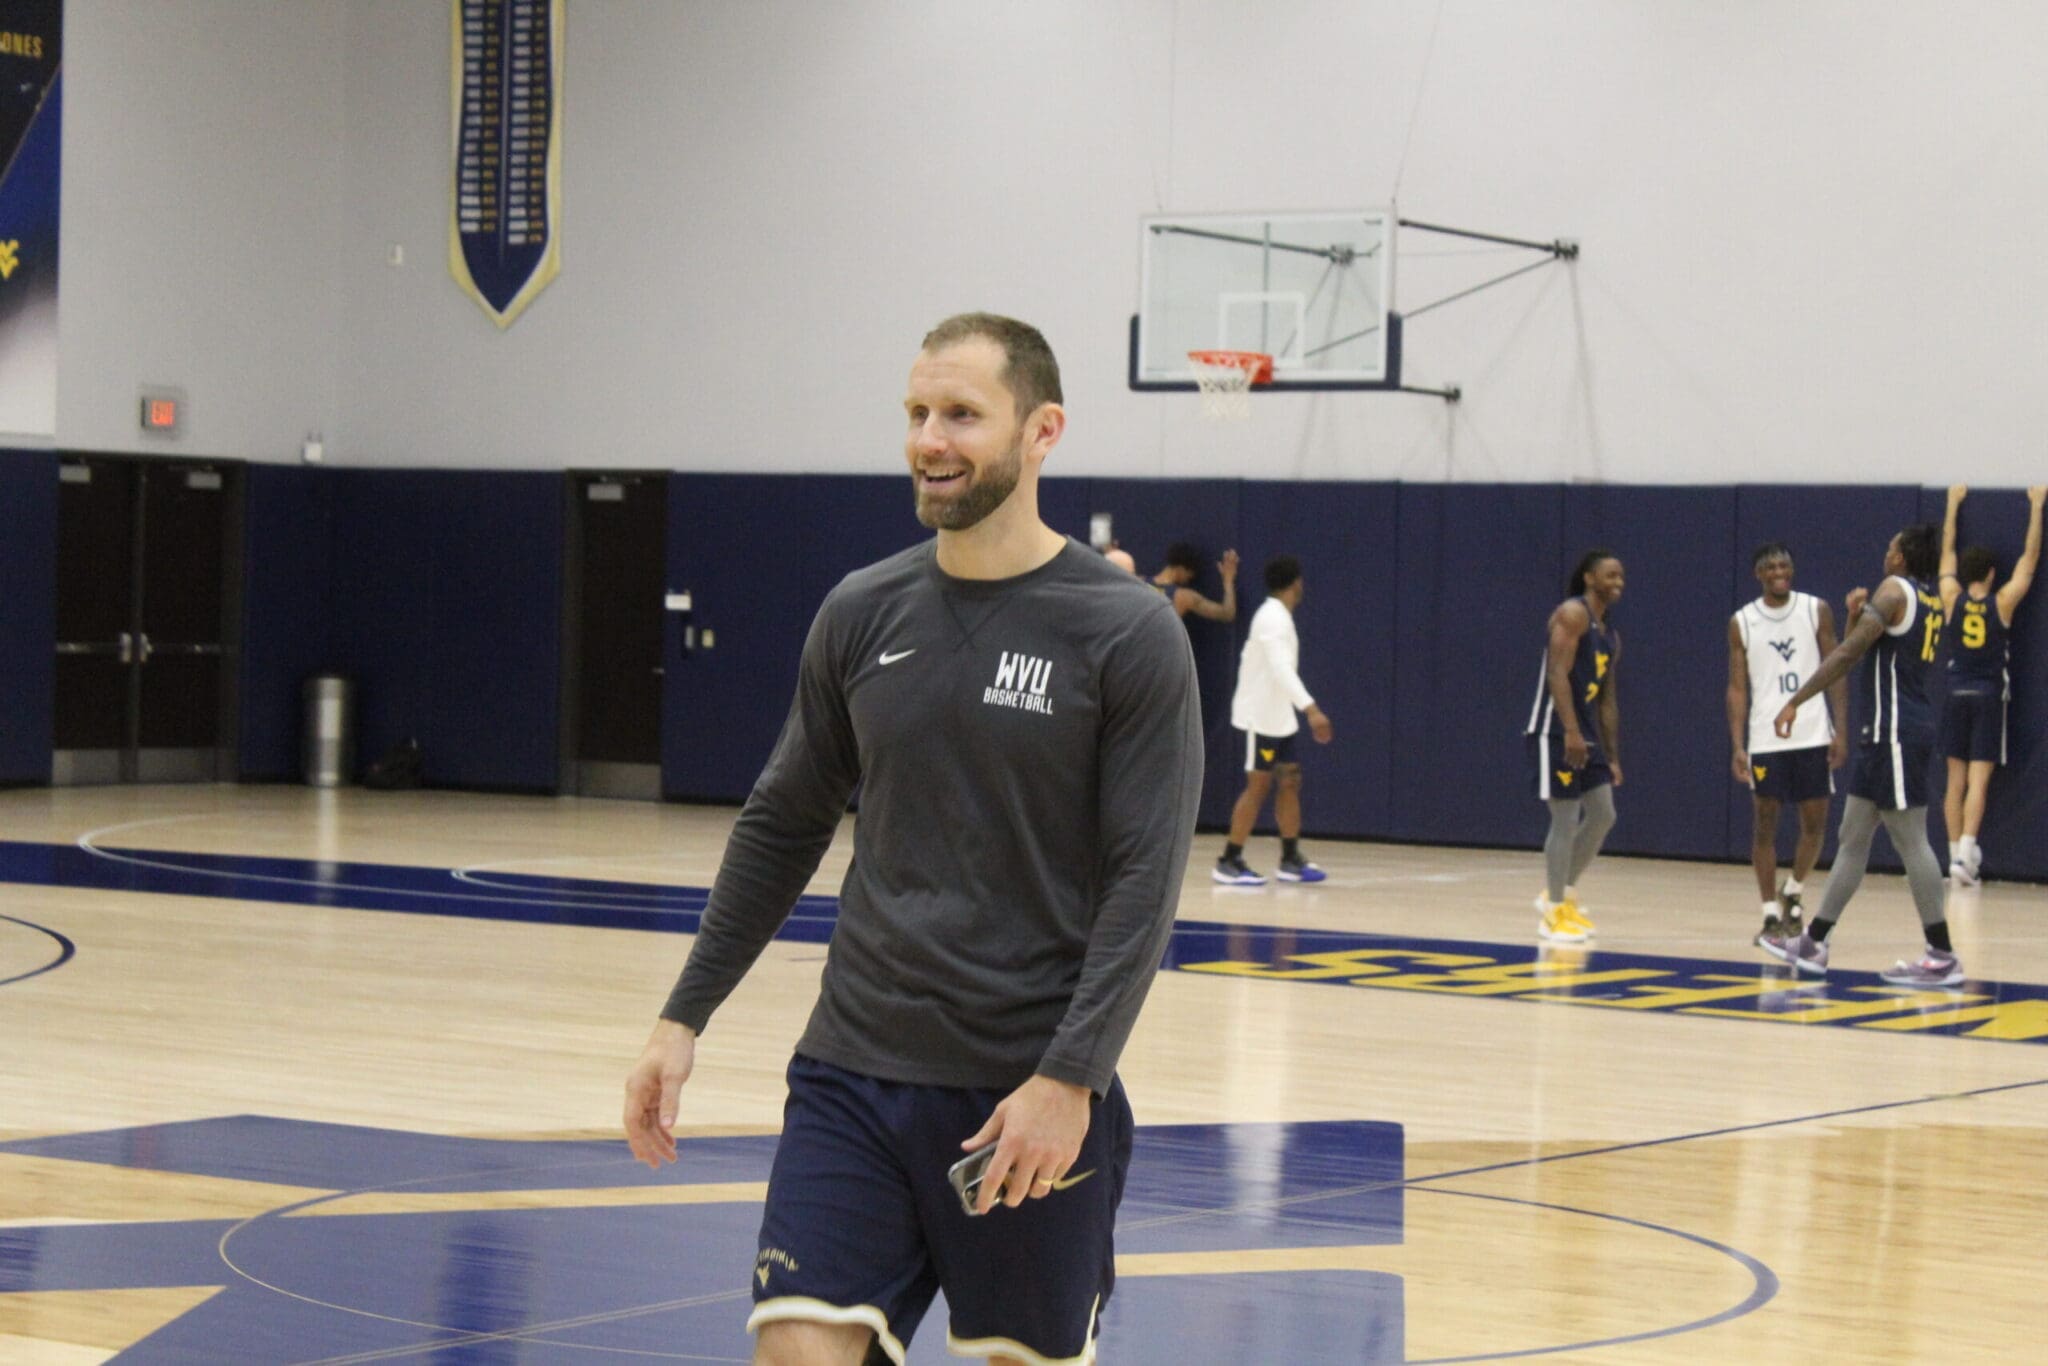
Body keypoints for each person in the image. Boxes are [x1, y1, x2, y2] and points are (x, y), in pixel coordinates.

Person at [622, 313, 1203, 1366]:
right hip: (854, 1066)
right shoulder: (861, 610)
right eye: (918, 414)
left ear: (1041, 432)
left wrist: (1069, 1076)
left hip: (1021, 1078)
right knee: (796, 1347)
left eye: (962, 415)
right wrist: (681, 1015)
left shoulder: (1122, 630)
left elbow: (1144, 876)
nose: (930, 440)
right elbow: (782, 821)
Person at [1760, 523, 1958, 986]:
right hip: (1886, 733)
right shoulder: (1927, 601)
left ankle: (1943, 953)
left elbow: (1849, 653)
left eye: (1891, 546)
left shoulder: (1895, 591)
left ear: (1903, 556)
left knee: (1911, 839)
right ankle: (1815, 941)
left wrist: (1796, 700)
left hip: (1897, 732)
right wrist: (1855, 615)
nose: (1885, 551)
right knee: (1852, 837)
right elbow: (1866, 646)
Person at [1726, 543, 1847, 945]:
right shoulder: (1743, 621)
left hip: (1812, 733)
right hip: (1766, 738)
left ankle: (1793, 890)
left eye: (1785, 565)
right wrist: (1738, 743)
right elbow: (1737, 687)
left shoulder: (1816, 609)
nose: (1779, 571)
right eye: (1771, 567)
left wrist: (1840, 729)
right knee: (1765, 827)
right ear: (1759, 574)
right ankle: (1769, 916)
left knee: (1815, 825)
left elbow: (1837, 669)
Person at [1936, 484, 2045, 885]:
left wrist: (1951, 505)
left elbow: (1946, 554)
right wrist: (2036, 508)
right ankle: (1966, 853)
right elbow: (2030, 560)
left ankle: (1952, 858)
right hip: (1987, 696)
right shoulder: (2003, 602)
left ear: (1963, 575)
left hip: (1953, 693)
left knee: (1954, 780)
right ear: (1993, 573)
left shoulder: (1950, 596)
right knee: (1978, 780)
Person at [1214, 555, 1333, 885]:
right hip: (1259, 718)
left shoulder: (1280, 616)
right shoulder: (1272, 619)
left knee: (1291, 780)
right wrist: (1311, 709)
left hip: (1280, 719)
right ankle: (1229, 859)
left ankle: (1290, 857)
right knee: (1258, 787)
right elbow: (1281, 669)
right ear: (1296, 582)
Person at [1526, 550, 1624, 943]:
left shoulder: (1610, 636)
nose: (1618, 581)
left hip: (1584, 734)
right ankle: (1553, 912)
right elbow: (1556, 673)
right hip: (1554, 729)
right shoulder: (1572, 613)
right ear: (1589, 577)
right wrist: (1569, 731)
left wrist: (1612, 755)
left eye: (1621, 576)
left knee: (1603, 814)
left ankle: (1560, 894)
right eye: (1610, 575)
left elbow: (1607, 700)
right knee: (1565, 819)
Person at [1150, 542, 1239, 621]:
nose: (1188, 581)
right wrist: (1228, 580)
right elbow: (1227, 614)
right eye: (1189, 577)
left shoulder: (1139, 582)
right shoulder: (1183, 597)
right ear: (1182, 569)